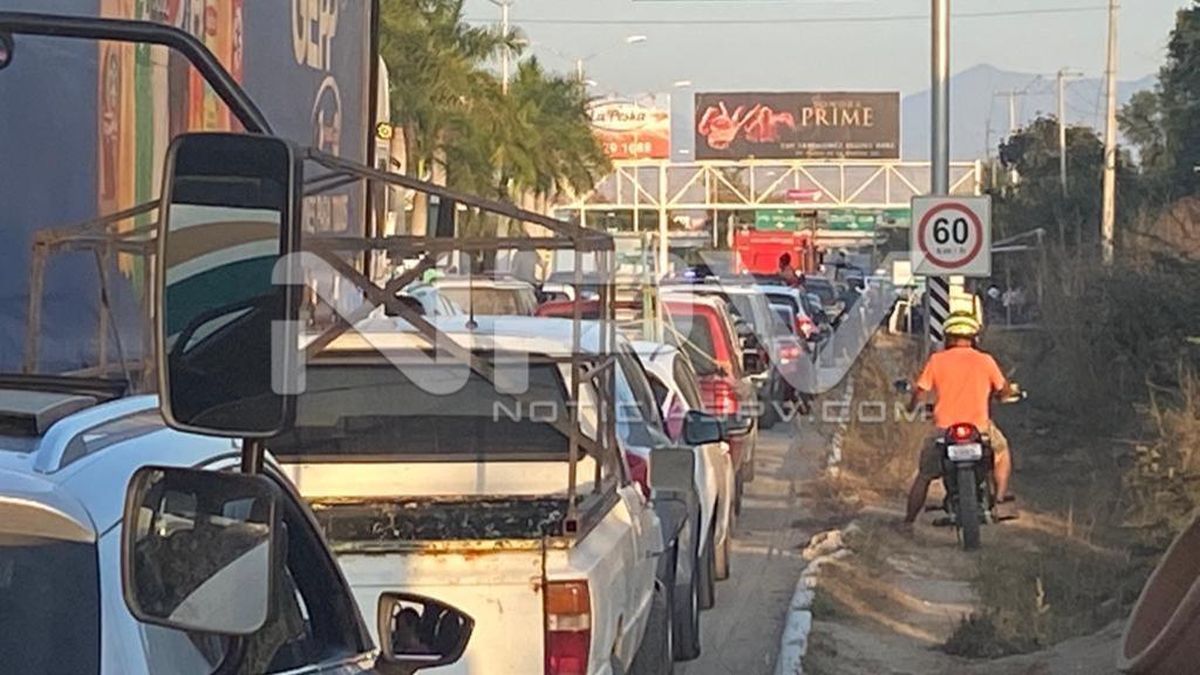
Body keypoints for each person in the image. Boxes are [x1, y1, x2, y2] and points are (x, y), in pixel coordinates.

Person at [903, 310, 1014, 526]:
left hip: (944, 430)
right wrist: (1004, 395)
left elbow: (920, 390)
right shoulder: (985, 361)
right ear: (974, 338)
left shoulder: (937, 360)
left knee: (924, 475)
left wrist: (911, 406)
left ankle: (908, 522)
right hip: (979, 429)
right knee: (1001, 453)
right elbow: (1003, 389)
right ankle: (1000, 500)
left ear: (947, 338)